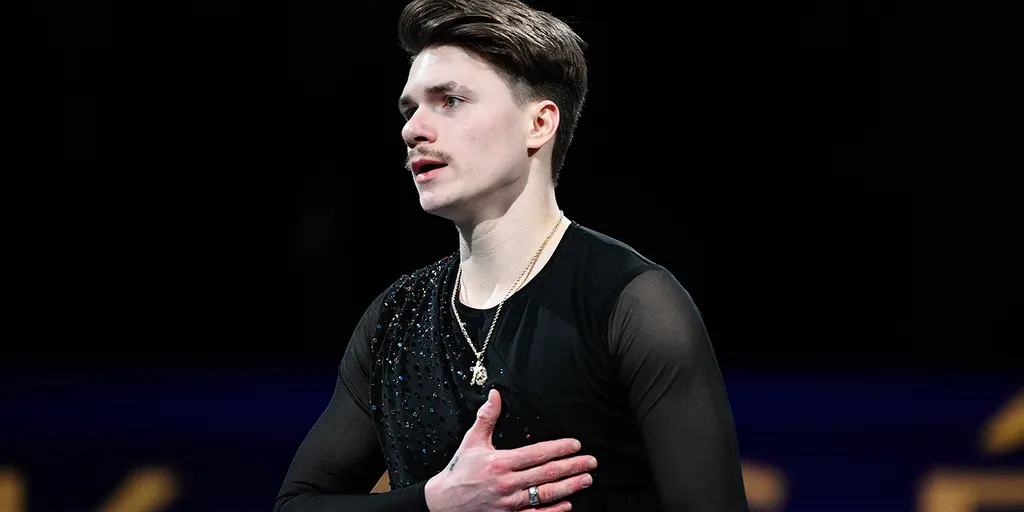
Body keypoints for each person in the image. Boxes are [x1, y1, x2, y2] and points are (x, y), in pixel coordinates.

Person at [274, 0, 749, 510]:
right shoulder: (394, 318)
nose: (413, 130)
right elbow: (296, 504)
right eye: (410, 110)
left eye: (450, 101)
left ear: (539, 124)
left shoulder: (632, 305)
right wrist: (436, 502)